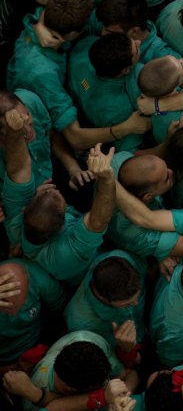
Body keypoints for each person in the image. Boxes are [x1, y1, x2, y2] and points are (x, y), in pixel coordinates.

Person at [7, 0, 152, 150]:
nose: (103, 31)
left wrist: (40, 25)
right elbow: (75, 139)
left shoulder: (53, 16)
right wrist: (126, 128)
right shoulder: (43, 75)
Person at [3, 110, 117, 286]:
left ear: (25, 208)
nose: (56, 192)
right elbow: (98, 220)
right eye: (60, 200)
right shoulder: (66, 254)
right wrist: (106, 177)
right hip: (92, 272)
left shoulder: (15, 222)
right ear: (63, 225)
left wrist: (14, 131)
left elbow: (18, 169)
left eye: (44, 195)